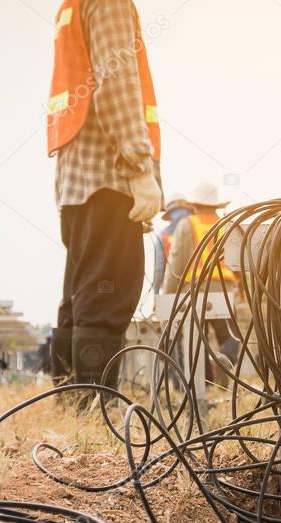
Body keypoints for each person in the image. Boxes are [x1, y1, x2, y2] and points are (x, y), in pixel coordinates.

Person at [46, 0, 163, 400]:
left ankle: (67, 397)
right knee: (107, 293)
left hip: (78, 181)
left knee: (81, 293)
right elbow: (117, 86)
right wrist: (140, 169)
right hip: (109, 176)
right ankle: (92, 406)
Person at [164, 183, 240, 384]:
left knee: (198, 338)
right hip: (224, 289)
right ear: (216, 205)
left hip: (195, 290)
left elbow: (176, 261)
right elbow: (238, 262)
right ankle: (223, 360)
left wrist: (168, 294)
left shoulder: (187, 225)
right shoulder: (227, 224)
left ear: (195, 204)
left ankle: (205, 382)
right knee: (231, 337)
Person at [151, 194, 193, 295]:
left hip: (172, 291)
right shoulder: (196, 230)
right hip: (197, 287)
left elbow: (158, 269)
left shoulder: (162, 236)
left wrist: (156, 294)